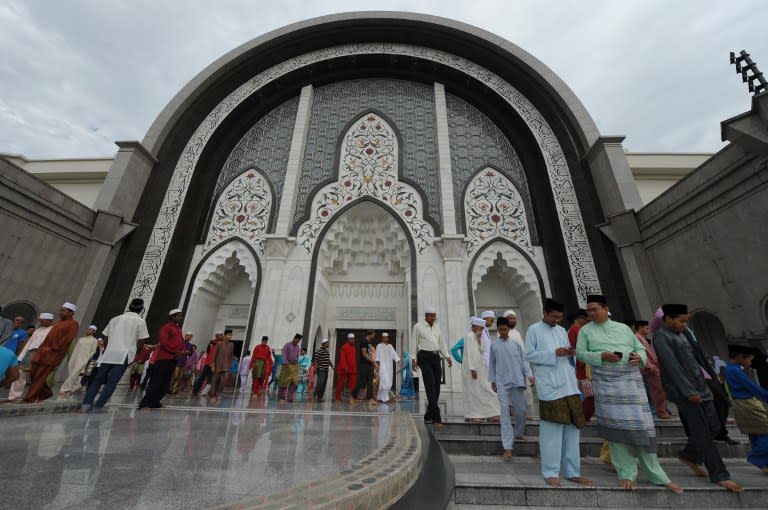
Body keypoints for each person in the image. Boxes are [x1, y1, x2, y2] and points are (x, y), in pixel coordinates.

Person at [576, 295, 682, 493]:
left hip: (630, 384)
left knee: (643, 429)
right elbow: (581, 353)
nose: (591, 313)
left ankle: (658, 475)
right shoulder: (585, 331)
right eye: (589, 310)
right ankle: (626, 474)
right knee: (615, 433)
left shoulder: (623, 328)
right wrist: (600, 356)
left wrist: (637, 358)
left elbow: (640, 349)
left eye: (594, 309)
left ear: (606, 309)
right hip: (606, 385)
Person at [653, 303, 743, 492]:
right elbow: (672, 367)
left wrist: (710, 386)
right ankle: (719, 474)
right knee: (702, 431)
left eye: (685, 321)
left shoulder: (684, 334)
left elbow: (698, 360)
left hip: (701, 386)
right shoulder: (661, 337)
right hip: (685, 392)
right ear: (668, 319)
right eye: (680, 320)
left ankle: (690, 455)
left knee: (714, 426)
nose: (684, 324)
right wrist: (688, 392)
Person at [525, 298, 592, 488]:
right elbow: (529, 355)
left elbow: (566, 353)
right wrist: (554, 354)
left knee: (572, 430)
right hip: (551, 388)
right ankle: (550, 472)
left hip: (569, 386)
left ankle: (573, 472)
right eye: (553, 317)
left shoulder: (562, 330)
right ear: (544, 313)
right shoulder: (534, 330)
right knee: (552, 433)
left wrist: (569, 352)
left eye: (559, 317)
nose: (556, 320)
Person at [81, 298, 150, 412]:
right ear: (141, 309)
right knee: (112, 382)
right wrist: (135, 355)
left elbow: (106, 337)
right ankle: (98, 407)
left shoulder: (115, 319)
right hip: (124, 354)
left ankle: (86, 405)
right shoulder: (140, 321)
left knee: (98, 379)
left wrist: (106, 350)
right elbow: (142, 341)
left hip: (110, 353)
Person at [490, 316, 532, 458]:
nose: (503, 332)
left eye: (505, 329)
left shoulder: (516, 344)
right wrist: (493, 381)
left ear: (509, 329)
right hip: (502, 382)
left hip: (517, 381)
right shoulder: (494, 345)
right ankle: (507, 446)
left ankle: (519, 433)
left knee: (521, 411)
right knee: (505, 413)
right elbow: (492, 364)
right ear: (498, 329)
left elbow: (524, 361)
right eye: (501, 329)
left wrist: (530, 375)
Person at [724, 344, 768, 473]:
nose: (749, 363)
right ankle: (756, 457)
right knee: (764, 431)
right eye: (749, 359)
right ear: (740, 357)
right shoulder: (735, 370)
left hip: (740, 404)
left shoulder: (730, 368)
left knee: (755, 433)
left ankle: (763, 463)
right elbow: (753, 387)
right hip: (748, 404)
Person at [24, 303, 80, 403]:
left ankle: (29, 398)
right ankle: (46, 392)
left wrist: (54, 348)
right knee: (33, 374)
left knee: (40, 376)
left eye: (63, 311)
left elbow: (67, 340)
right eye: (60, 310)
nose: (60, 312)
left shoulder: (73, 324)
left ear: (71, 312)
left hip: (52, 354)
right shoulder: (58, 323)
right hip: (41, 352)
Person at [412, 307, 452, 427]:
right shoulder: (418, 327)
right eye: (431, 316)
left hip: (436, 357)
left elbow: (442, 343)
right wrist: (413, 359)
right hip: (424, 357)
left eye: (434, 316)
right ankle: (436, 418)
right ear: (426, 316)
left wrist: (447, 356)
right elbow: (413, 342)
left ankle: (428, 414)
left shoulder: (437, 328)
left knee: (437, 388)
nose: (433, 318)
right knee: (430, 386)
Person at [139, 308, 185, 410]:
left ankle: (155, 402)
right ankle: (144, 404)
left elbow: (181, 342)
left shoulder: (177, 328)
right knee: (156, 382)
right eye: (179, 316)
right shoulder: (166, 327)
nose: (180, 318)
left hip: (173, 359)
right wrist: (175, 351)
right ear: (173, 317)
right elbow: (164, 342)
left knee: (165, 383)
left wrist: (181, 351)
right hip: (163, 359)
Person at [461, 317, 500, 422]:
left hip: (480, 367)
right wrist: (472, 369)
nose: (482, 329)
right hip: (471, 369)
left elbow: (481, 351)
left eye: (483, 327)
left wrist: (478, 339)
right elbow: (469, 353)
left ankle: (492, 413)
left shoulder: (478, 336)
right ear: (474, 326)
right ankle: (474, 415)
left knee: (486, 389)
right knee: (473, 392)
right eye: (480, 327)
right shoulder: (469, 336)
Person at [632, 320, 673, 419]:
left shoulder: (641, 338)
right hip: (650, 368)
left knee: (659, 390)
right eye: (646, 328)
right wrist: (650, 367)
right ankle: (661, 412)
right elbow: (641, 354)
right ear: (640, 328)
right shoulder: (637, 338)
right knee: (657, 390)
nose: (648, 329)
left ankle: (663, 411)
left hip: (652, 367)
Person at [8, 312, 54, 401]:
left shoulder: (53, 330)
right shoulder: (38, 330)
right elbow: (29, 344)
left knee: (37, 376)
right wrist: (21, 357)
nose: (41, 323)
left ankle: (40, 394)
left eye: (43, 321)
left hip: (41, 355)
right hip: (29, 354)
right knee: (20, 374)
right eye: (40, 321)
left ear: (49, 321)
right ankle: (13, 396)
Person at [59, 325, 99, 396]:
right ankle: (78, 386)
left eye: (90, 330)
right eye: (88, 329)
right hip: (75, 357)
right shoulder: (81, 339)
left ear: (94, 331)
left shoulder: (94, 341)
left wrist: (86, 359)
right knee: (72, 372)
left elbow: (93, 351)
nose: (88, 331)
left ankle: (65, 389)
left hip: (84, 359)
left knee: (74, 373)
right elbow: (76, 349)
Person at [350, 330, 377, 405]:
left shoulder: (368, 343)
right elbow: (364, 354)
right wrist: (373, 362)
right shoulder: (364, 342)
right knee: (361, 382)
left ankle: (370, 399)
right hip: (364, 365)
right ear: (371, 334)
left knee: (369, 382)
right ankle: (352, 396)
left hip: (369, 365)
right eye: (374, 334)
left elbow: (369, 354)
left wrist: (372, 362)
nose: (374, 336)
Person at [375, 332, 400, 403]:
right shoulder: (379, 346)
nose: (385, 338)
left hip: (389, 367)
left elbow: (395, 356)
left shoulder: (390, 346)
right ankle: (385, 398)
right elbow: (377, 357)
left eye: (386, 337)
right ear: (382, 338)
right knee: (383, 382)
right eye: (384, 337)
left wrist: (400, 364)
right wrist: (377, 366)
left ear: (388, 338)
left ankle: (379, 398)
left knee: (388, 382)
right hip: (382, 366)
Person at [209, 329, 234, 401]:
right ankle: (212, 394)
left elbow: (231, 355)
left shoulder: (232, 345)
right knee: (214, 380)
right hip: (218, 365)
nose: (230, 336)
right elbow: (214, 355)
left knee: (224, 380)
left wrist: (230, 364)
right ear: (225, 335)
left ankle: (218, 392)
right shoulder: (219, 344)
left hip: (226, 366)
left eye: (231, 335)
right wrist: (213, 365)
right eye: (229, 335)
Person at [278, 334, 302, 402]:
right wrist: (286, 363)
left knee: (294, 382)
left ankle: (290, 398)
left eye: (299, 341)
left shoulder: (298, 347)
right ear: (294, 338)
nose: (297, 342)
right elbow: (284, 354)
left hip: (294, 366)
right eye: (297, 340)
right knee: (284, 382)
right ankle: (281, 398)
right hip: (286, 365)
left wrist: (297, 364)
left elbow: (297, 356)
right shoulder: (287, 345)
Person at [336, 333, 358, 400]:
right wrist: (344, 366)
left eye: (353, 339)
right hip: (344, 369)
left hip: (352, 369)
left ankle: (352, 397)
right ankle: (337, 397)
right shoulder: (344, 347)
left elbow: (354, 359)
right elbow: (342, 358)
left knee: (353, 384)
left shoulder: (354, 348)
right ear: (348, 339)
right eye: (351, 339)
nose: (352, 340)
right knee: (341, 383)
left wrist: (355, 368)